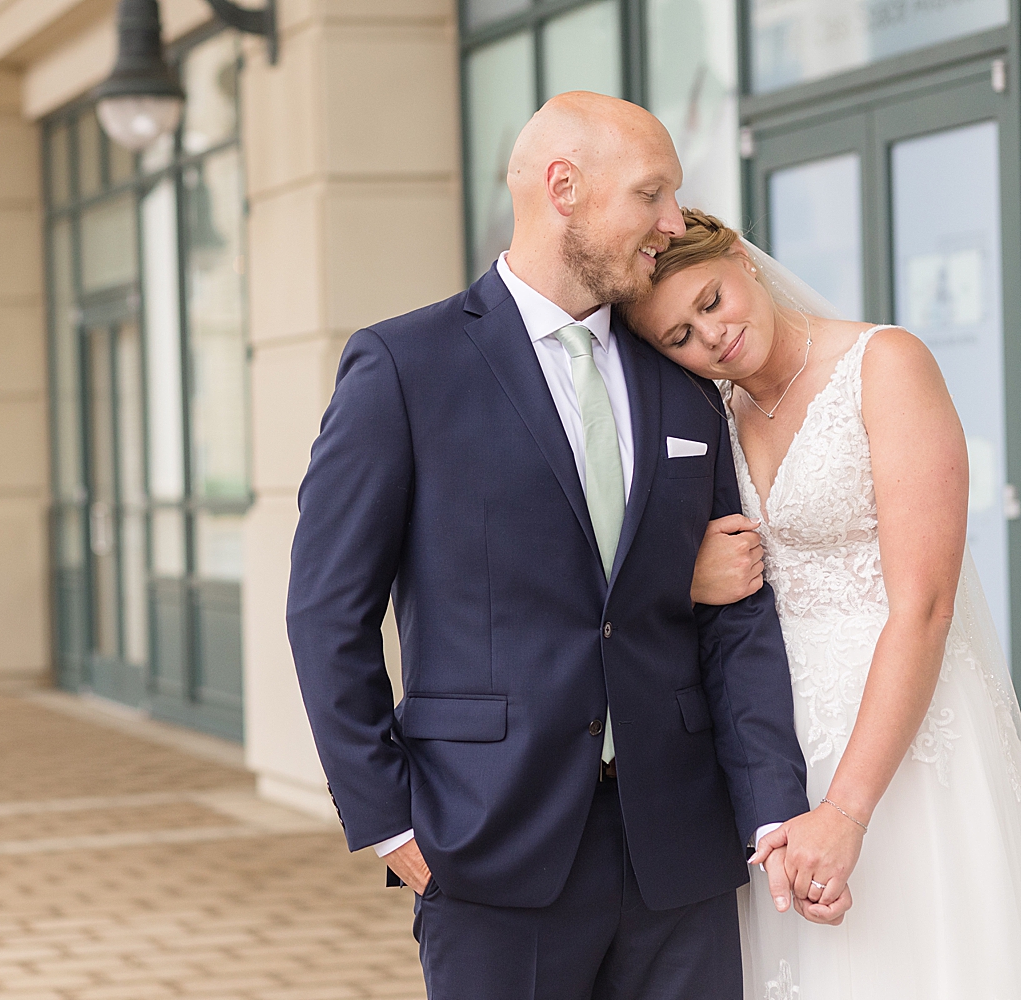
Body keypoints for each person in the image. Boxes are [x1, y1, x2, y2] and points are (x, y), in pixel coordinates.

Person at [285, 92, 811, 1000]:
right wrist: (391, 824)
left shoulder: (682, 378)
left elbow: (736, 609)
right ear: (565, 188)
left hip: (679, 849)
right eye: (652, 194)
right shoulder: (405, 368)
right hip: (488, 843)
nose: (671, 223)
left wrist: (772, 807)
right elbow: (327, 611)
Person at [629, 209, 1021, 998]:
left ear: (740, 258)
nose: (711, 337)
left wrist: (847, 810)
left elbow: (927, 605)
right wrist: (685, 575)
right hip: (774, 750)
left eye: (710, 301)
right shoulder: (711, 420)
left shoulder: (885, 364)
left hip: (905, 739)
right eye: (679, 338)